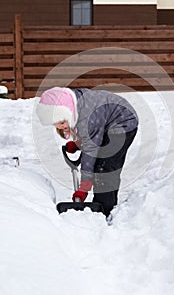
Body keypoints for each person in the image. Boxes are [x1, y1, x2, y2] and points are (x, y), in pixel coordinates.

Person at [36, 87, 138, 217]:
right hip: (106, 124)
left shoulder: (87, 115)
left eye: (62, 122)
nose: (61, 127)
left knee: (104, 169)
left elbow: (91, 147)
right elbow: (92, 134)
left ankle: (105, 211)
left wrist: (84, 186)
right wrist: (79, 144)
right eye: (56, 125)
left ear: (68, 111)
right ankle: (108, 205)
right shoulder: (74, 102)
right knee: (102, 165)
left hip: (124, 124)